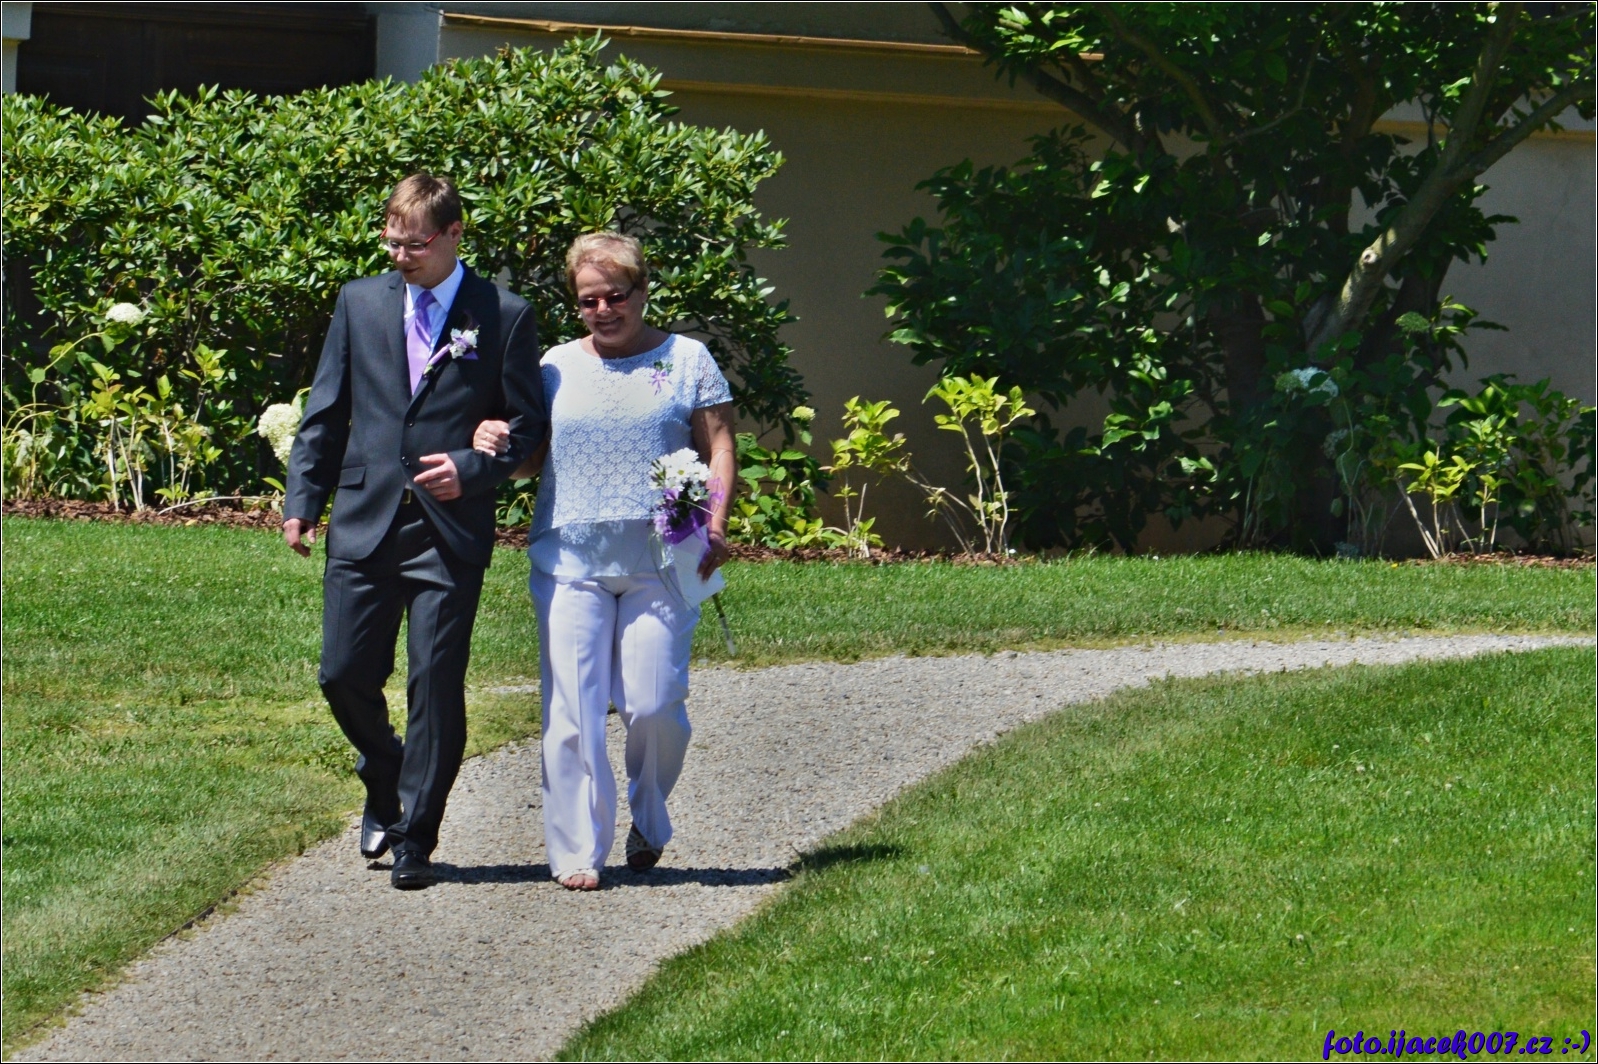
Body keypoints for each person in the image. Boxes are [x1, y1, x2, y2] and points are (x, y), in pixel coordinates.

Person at [283, 173, 545, 891]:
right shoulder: (359, 302)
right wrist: (303, 499)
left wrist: (473, 467)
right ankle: (385, 769)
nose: (400, 256)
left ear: (454, 234)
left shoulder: (504, 313)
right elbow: (326, 411)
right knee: (342, 673)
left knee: (435, 683)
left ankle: (415, 837)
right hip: (364, 518)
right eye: (391, 243)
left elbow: (527, 427)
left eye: (416, 245)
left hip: (447, 530)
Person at [473, 232, 735, 891]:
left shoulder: (688, 359)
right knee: (573, 708)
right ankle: (576, 849)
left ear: (642, 292)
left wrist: (715, 522)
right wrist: (494, 439)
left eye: (616, 296)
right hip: (569, 559)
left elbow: (720, 446)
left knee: (655, 703)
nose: (603, 310)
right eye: (588, 300)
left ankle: (649, 816)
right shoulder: (553, 367)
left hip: (662, 560)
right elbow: (530, 459)